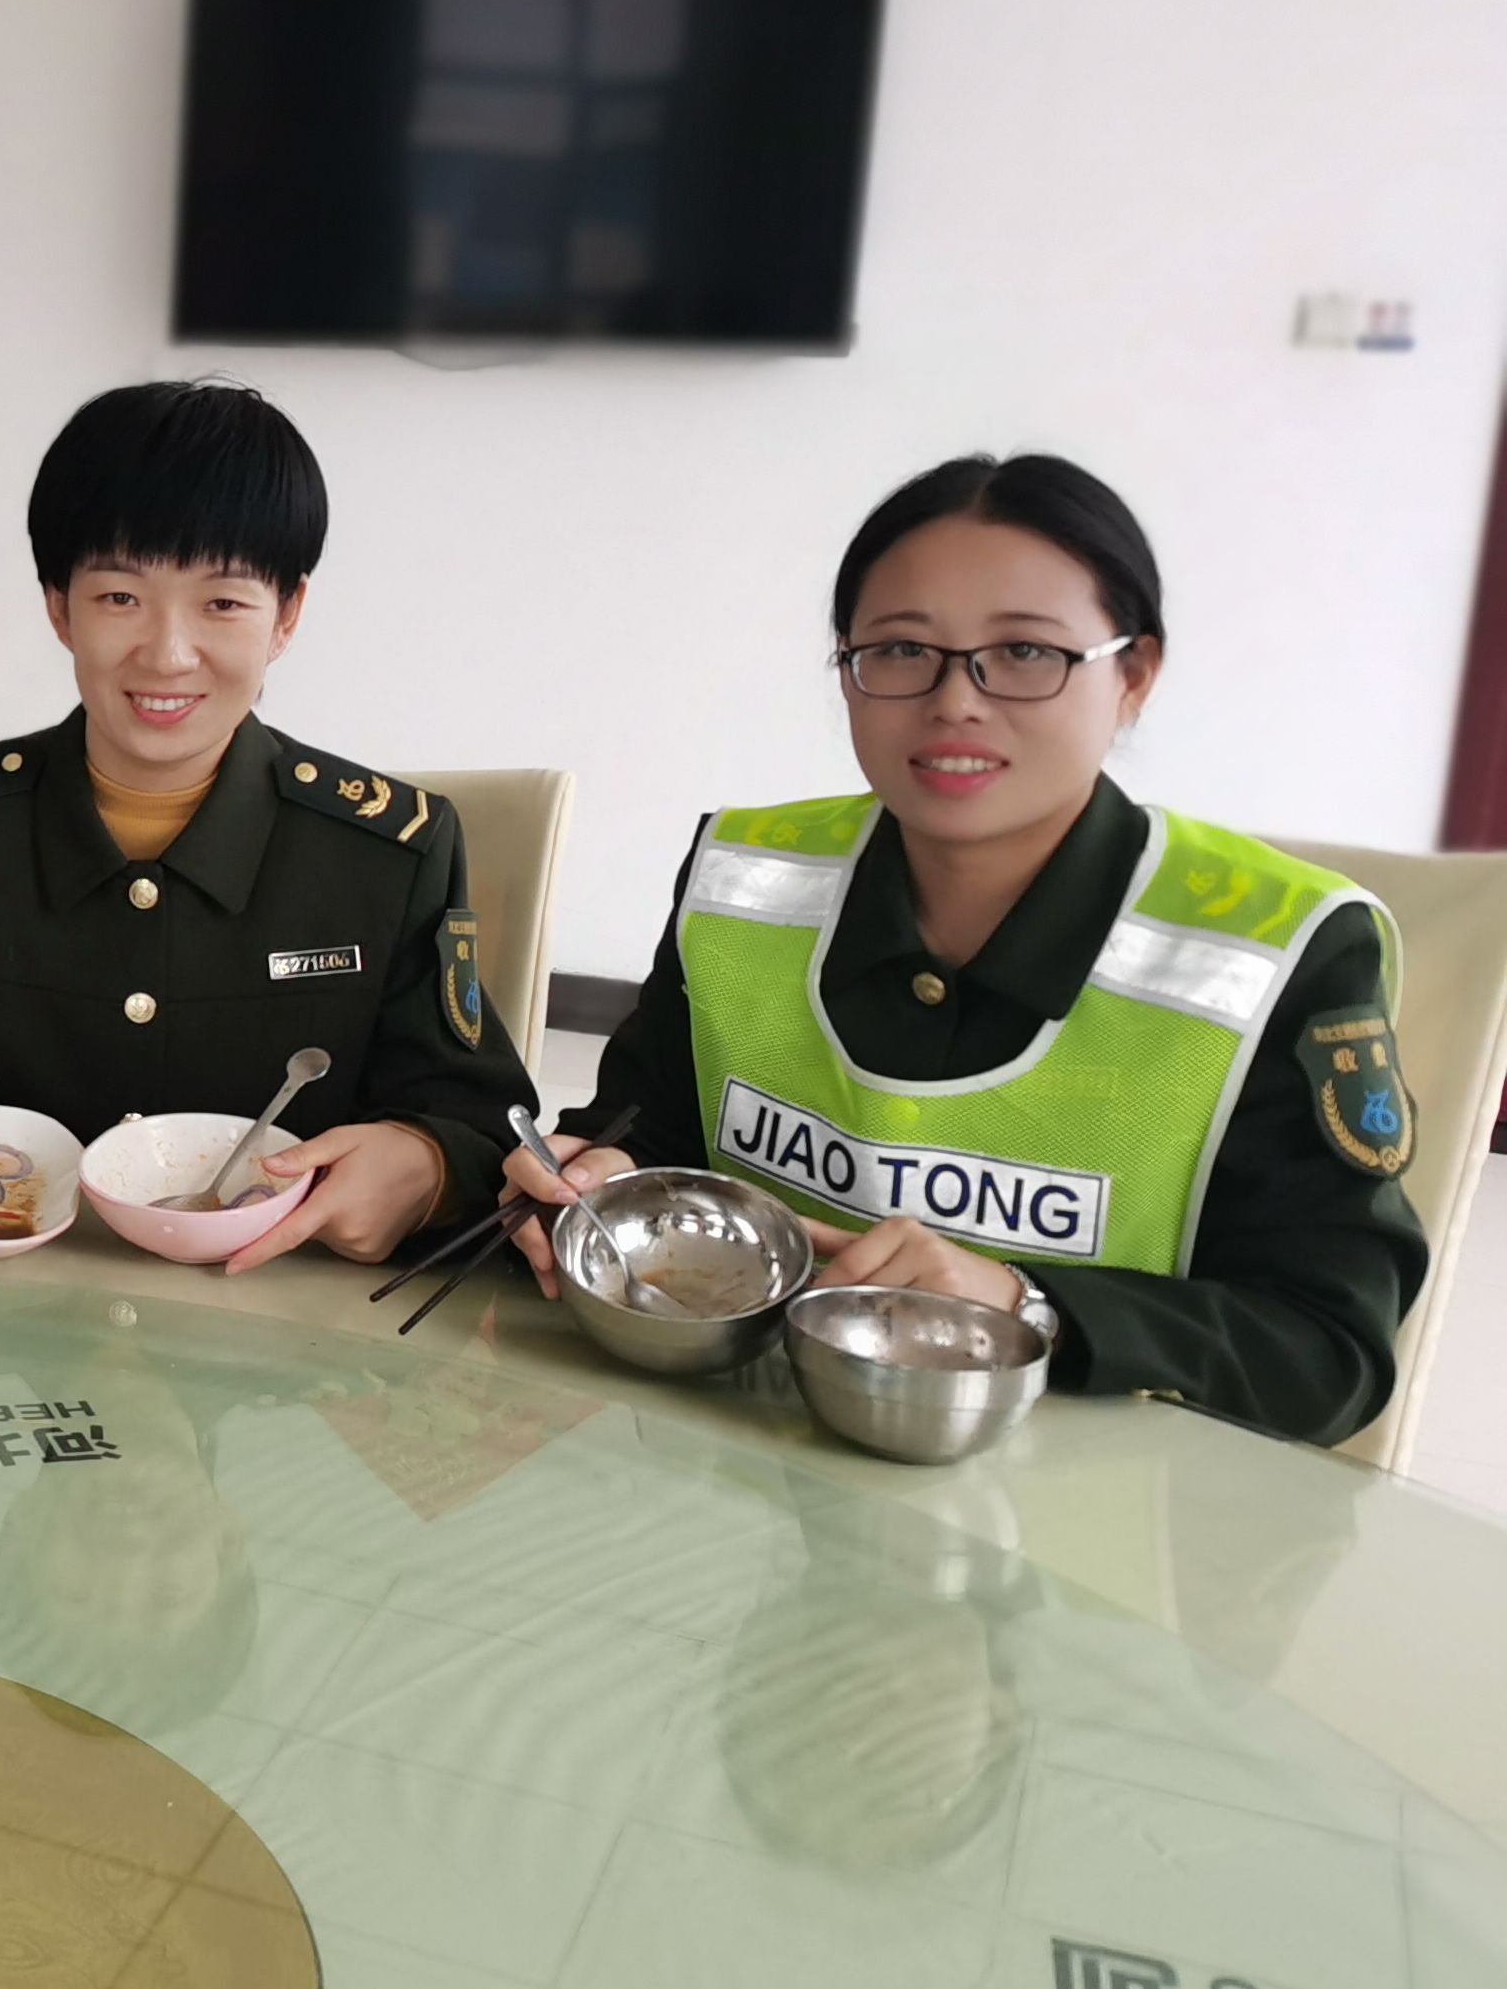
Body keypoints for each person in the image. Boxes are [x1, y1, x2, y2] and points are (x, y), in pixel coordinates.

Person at [506, 454, 1425, 1446]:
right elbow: (650, 1136)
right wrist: (594, 1179)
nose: (955, 701)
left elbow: (1327, 1351)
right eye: (902, 649)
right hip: (732, 1464)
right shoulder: (743, 875)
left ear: (1133, 675)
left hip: (1087, 1508)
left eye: (1025, 652)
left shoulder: (1278, 949)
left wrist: (1026, 1306)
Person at [0, 379, 539, 1266]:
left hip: (286, 1309)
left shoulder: (391, 851)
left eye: (223, 603)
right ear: (59, 607)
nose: (168, 654)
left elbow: (475, 1118)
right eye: (121, 597)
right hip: (1, 1307)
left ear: (287, 615)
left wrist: (425, 1165)